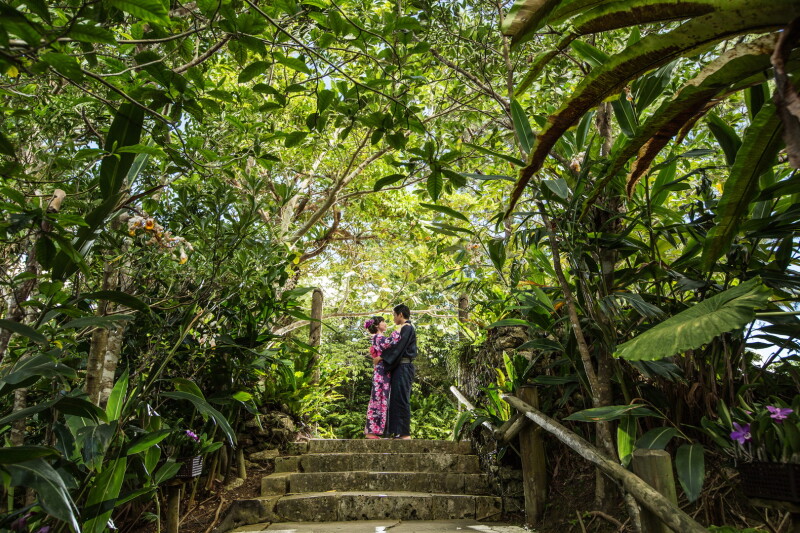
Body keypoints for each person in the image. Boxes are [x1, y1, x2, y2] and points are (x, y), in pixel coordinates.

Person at [379, 304, 417, 439]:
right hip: (399, 367)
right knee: (395, 398)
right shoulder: (403, 328)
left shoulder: (407, 328)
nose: (393, 318)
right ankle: (397, 431)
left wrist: (382, 357)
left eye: (394, 315)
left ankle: (404, 433)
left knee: (401, 398)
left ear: (400, 314)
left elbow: (399, 348)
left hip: (404, 367)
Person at [364, 316, 398, 439]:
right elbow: (392, 343)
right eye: (383, 322)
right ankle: (371, 432)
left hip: (382, 371)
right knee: (378, 398)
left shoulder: (377, 338)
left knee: (379, 398)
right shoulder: (379, 338)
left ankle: (374, 431)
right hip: (381, 372)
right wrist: (398, 331)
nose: (385, 323)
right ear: (377, 325)